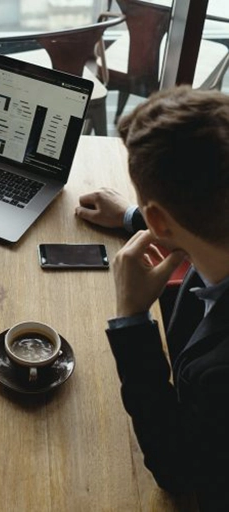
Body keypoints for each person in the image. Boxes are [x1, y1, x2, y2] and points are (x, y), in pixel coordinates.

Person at [76, 86, 229, 511]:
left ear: (160, 219)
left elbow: (176, 472)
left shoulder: (218, 377)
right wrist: (132, 215)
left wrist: (132, 320)